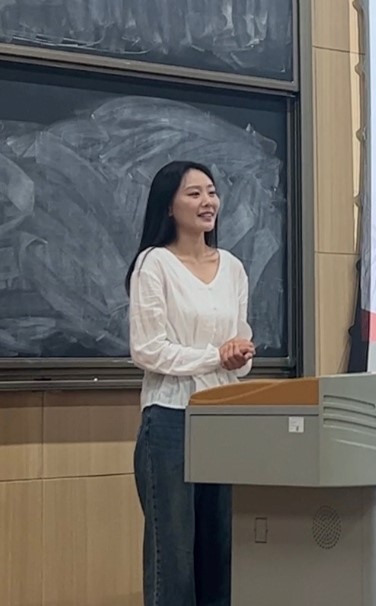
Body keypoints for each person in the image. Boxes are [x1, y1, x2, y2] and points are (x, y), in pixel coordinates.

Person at [125, 160, 256, 606]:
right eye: (194, 193)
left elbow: (237, 355)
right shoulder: (154, 264)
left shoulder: (233, 267)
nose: (208, 202)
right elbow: (147, 349)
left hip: (223, 418)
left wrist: (237, 355)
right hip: (169, 420)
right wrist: (215, 356)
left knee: (222, 553)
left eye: (212, 192)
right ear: (169, 206)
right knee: (174, 557)